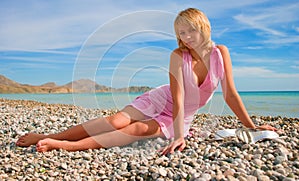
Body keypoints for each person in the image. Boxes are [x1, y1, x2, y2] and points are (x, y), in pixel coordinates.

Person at [16, 8, 276, 153]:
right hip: (161, 99)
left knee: (137, 131)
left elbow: (230, 94)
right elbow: (178, 96)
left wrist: (252, 127)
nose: (186, 37)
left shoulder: (221, 53)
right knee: (115, 121)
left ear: (204, 27)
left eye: (191, 30)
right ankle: (52, 135)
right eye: (181, 32)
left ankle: (66, 146)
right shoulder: (177, 56)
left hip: (181, 115)